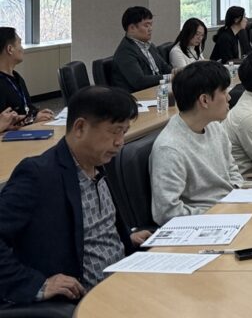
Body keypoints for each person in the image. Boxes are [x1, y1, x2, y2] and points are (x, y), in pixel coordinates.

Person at [0, 86, 150, 312]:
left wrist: (125, 236)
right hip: (87, 302)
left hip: (125, 279)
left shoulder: (98, 162)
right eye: (115, 131)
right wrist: (37, 285)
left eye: (125, 131)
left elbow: (92, 225)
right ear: (80, 127)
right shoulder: (38, 174)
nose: (120, 141)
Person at [149, 61, 243, 224]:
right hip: (205, 223)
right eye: (223, 91)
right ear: (204, 100)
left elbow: (232, 170)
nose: (229, 97)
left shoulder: (214, 126)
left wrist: (236, 197)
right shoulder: (169, 148)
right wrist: (218, 213)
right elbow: (166, 212)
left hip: (232, 210)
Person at [0, 27, 55, 126]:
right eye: (20, 43)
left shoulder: (17, 77)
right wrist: (31, 119)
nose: (22, 49)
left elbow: (25, 107)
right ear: (10, 49)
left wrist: (36, 114)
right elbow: (5, 123)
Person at [111, 6, 171, 92]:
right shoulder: (125, 52)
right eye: (146, 25)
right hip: (138, 96)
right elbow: (140, 82)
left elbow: (164, 67)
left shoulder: (149, 46)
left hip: (157, 90)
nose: (150, 29)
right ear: (132, 28)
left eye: (151, 25)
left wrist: (178, 72)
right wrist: (170, 77)